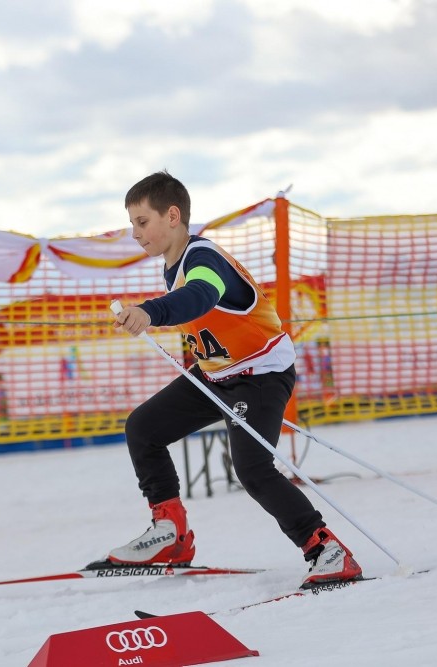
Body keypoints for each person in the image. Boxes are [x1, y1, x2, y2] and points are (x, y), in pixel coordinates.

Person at [107, 170, 362, 588]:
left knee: (253, 469)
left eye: (141, 221)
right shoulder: (173, 267)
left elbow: (200, 296)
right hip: (217, 375)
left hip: (260, 374)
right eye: (132, 223)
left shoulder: (204, 258)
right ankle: (170, 534)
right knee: (143, 428)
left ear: (172, 215)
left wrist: (150, 311)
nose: (134, 232)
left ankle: (326, 550)